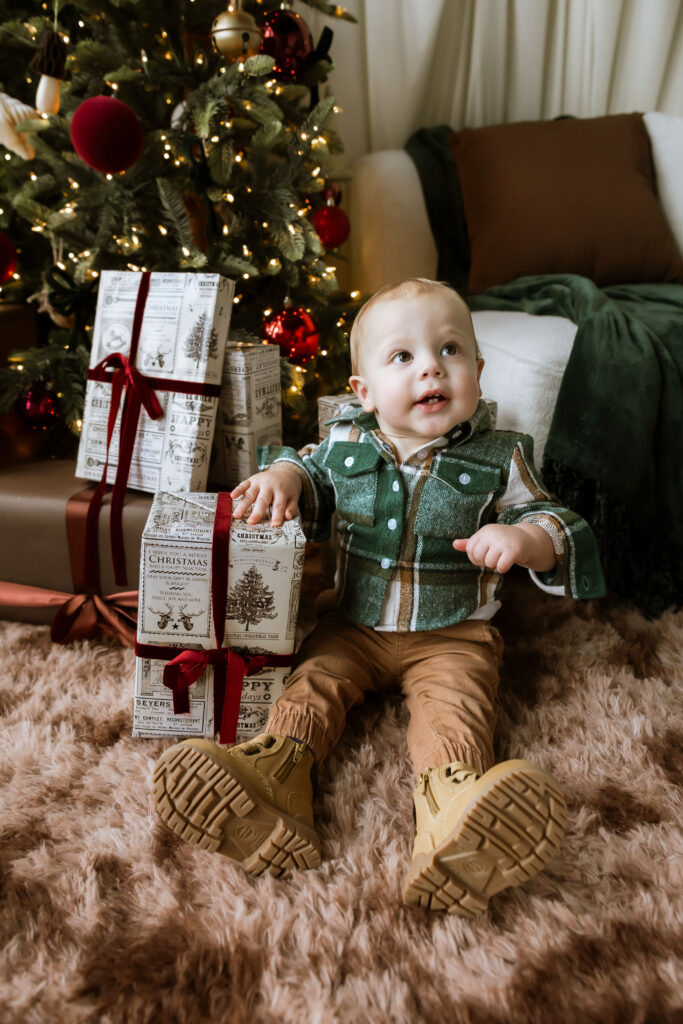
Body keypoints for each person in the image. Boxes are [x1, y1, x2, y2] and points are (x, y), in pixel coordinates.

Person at [153, 278, 605, 917]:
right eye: (403, 357)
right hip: (357, 623)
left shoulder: (501, 456)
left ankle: (451, 817)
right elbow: (306, 470)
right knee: (314, 682)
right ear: (362, 392)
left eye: (450, 351)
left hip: (453, 631)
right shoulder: (348, 442)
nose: (430, 367)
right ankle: (276, 778)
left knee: (455, 708)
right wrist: (282, 474)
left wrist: (525, 537)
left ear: (477, 371)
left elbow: (555, 519)